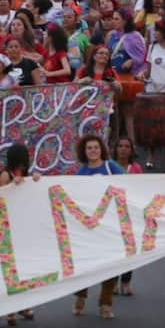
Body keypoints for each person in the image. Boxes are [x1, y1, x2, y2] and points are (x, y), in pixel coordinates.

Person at [72, 134, 123, 318]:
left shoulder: (112, 167)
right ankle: (80, 296)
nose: (93, 151)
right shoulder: (81, 173)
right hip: (89, 226)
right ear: (84, 152)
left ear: (101, 149)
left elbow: (128, 186)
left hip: (110, 225)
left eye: (95, 147)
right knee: (85, 263)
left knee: (111, 264)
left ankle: (106, 303)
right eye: (89, 148)